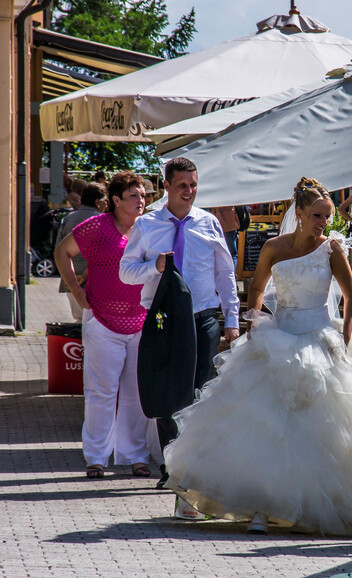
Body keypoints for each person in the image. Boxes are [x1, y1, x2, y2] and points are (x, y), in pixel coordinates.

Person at [164, 177, 352, 537]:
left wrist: (344, 340)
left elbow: (351, 296)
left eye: (327, 216)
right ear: (298, 213)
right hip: (278, 335)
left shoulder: (332, 249)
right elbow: (257, 286)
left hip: (318, 337)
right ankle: (259, 507)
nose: (322, 223)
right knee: (264, 425)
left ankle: (316, 507)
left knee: (326, 429)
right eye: (317, 215)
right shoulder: (273, 246)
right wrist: (253, 315)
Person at [120, 157, 241, 489]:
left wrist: (232, 318)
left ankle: (195, 467)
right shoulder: (147, 226)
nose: (189, 191)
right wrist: (153, 267)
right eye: (183, 185)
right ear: (167, 187)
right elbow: (125, 272)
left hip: (202, 318)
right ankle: (172, 467)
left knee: (198, 391)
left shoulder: (209, 223)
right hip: (163, 319)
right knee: (165, 391)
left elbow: (225, 273)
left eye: (194, 185)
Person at [54, 171, 153, 480]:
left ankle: (135, 455)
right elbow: (62, 252)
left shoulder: (149, 229)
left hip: (140, 322)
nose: (141, 201)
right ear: (115, 201)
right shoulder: (97, 227)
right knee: (101, 393)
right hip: (102, 321)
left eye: (143, 195)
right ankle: (96, 457)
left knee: (136, 393)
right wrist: (76, 291)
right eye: (134, 196)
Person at [56, 183, 107, 322]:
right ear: (97, 202)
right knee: (95, 323)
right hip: (94, 281)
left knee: (79, 321)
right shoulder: (102, 221)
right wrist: (85, 276)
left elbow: (58, 250)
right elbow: (104, 255)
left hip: (70, 280)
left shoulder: (67, 219)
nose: (106, 204)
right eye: (105, 201)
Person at [209, 205, 251, 271]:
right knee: (232, 254)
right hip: (230, 225)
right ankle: (232, 275)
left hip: (216, 225)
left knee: (216, 254)